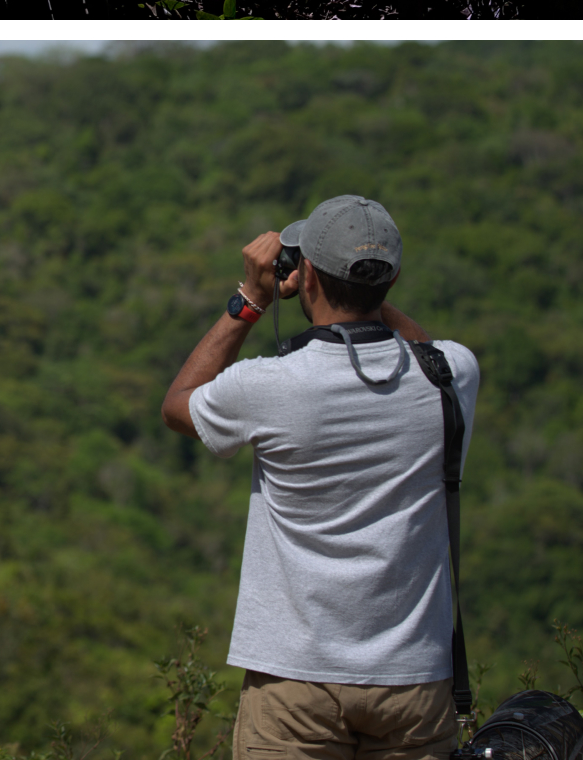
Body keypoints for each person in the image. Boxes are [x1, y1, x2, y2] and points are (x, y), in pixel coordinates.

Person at [160, 195, 480, 760]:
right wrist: (367, 296)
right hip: (414, 679)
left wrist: (251, 300)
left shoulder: (270, 386)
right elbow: (420, 348)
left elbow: (178, 406)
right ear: (393, 278)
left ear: (305, 274)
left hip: (295, 679)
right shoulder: (451, 375)